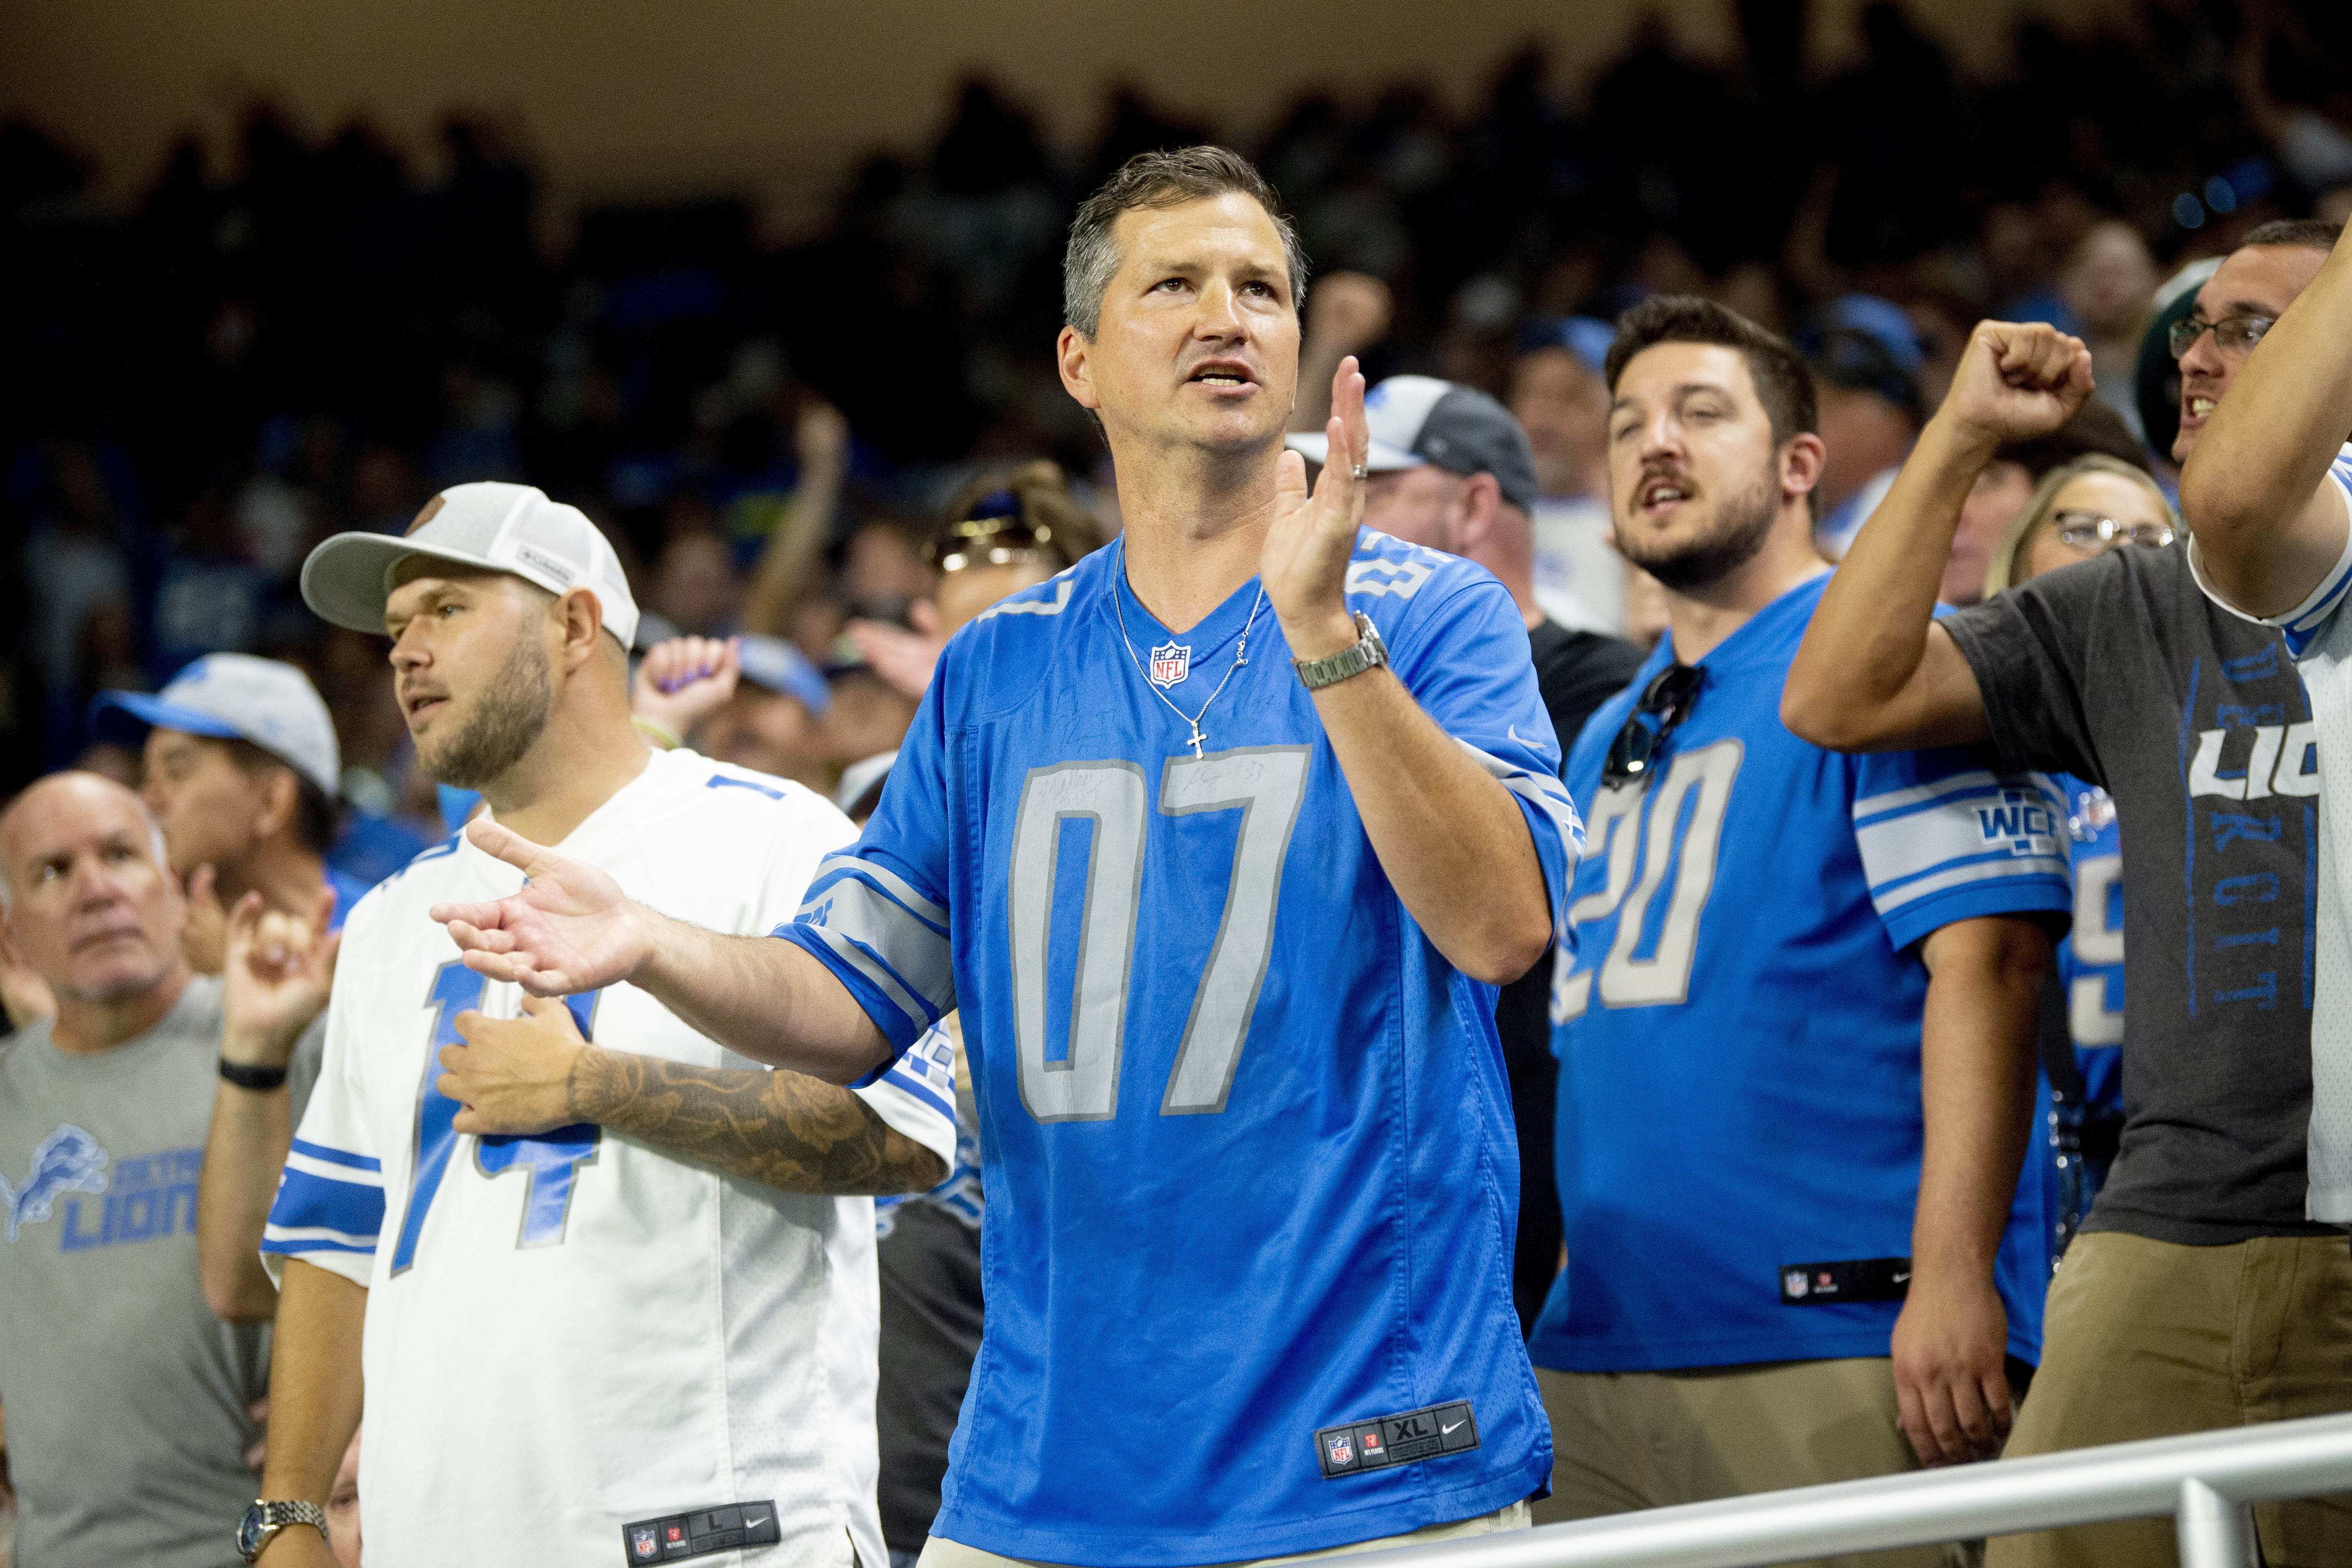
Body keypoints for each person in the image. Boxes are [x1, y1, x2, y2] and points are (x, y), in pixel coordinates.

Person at [427, 146, 1580, 1565]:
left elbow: (1501, 927)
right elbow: (848, 1004)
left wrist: (1324, 634)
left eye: (1261, 289)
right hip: (1049, 1467)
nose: (1229, 315)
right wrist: (652, 941)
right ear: (1080, 360)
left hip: (1370, 1452)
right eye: (1176, 284)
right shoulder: (994, 673)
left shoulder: (1434, 614)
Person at [1781, 217, 2352, 1568]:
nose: (2204, 352)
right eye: (2199, 328)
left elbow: (2246, 501)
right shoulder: (2127, 603)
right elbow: (1839, 691)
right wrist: (1961, 435)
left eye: (2257, 328)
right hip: (2163, 1216)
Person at [247, 480, 956, 1565]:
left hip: (715, 1536)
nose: (404, 654)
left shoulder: (774, 839)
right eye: (395, 628)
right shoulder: (392, 919)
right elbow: (335, 1245)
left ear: (575, 626)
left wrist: (599, 1087)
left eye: (446, 610)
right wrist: (288, 1513)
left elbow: (899, 1136)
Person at [1527, 297, 2067, 1559]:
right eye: (1626, 426)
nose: (1653, 444)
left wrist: (1951, 1279)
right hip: (1602, 1344)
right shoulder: (1608, 725)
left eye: (1699, 413)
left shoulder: (1886, 666)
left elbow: (1988, 965)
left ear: (1797, 467)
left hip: (1835, 1330)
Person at [1290, 372, 1643, 1329]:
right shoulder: (1303, 666)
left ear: (1473, 501)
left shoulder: (1617, 687)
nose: (1335, 502)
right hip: (1368, 1156)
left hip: (1554, 1140)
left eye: (1372, 477)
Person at [0, 772, 317, 1566]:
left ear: (177, 891)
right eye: (52, 873)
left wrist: (373, 1409)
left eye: (120, 855)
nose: (96, 890)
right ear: (13, 940)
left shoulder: (287, 1038)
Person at [1981, 457, 2182, 1248]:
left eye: (2145, 536)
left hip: (2169, 1180)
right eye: (2081, 530)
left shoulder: (2220, 753)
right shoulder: (1961, 753)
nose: (2114, 553)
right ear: (2018, 560)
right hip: (2005, 1176)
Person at [90, 654, 367, 974]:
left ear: (270, 802)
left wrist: (226, 980)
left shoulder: (386, 935)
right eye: (145, 776)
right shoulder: (137, 944)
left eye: (177, 771)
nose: (146, 801)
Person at [1512, 316, 1631, 635]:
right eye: (1531, 393)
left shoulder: (1636, 533)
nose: (1542, 416)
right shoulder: (1484, 518)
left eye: (1568, 398)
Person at [1802, 295, 1926, 561]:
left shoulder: (1909, 490)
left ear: (1897, 421)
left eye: (1832, 408)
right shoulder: (1825, 507)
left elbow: (1856, 578)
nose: (1807, 426)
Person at [632, 632, 836, 792]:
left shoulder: (855, 832)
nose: (739, 712)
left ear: (819, 732)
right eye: (722, 702)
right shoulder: (680, 814)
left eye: (761, 697)